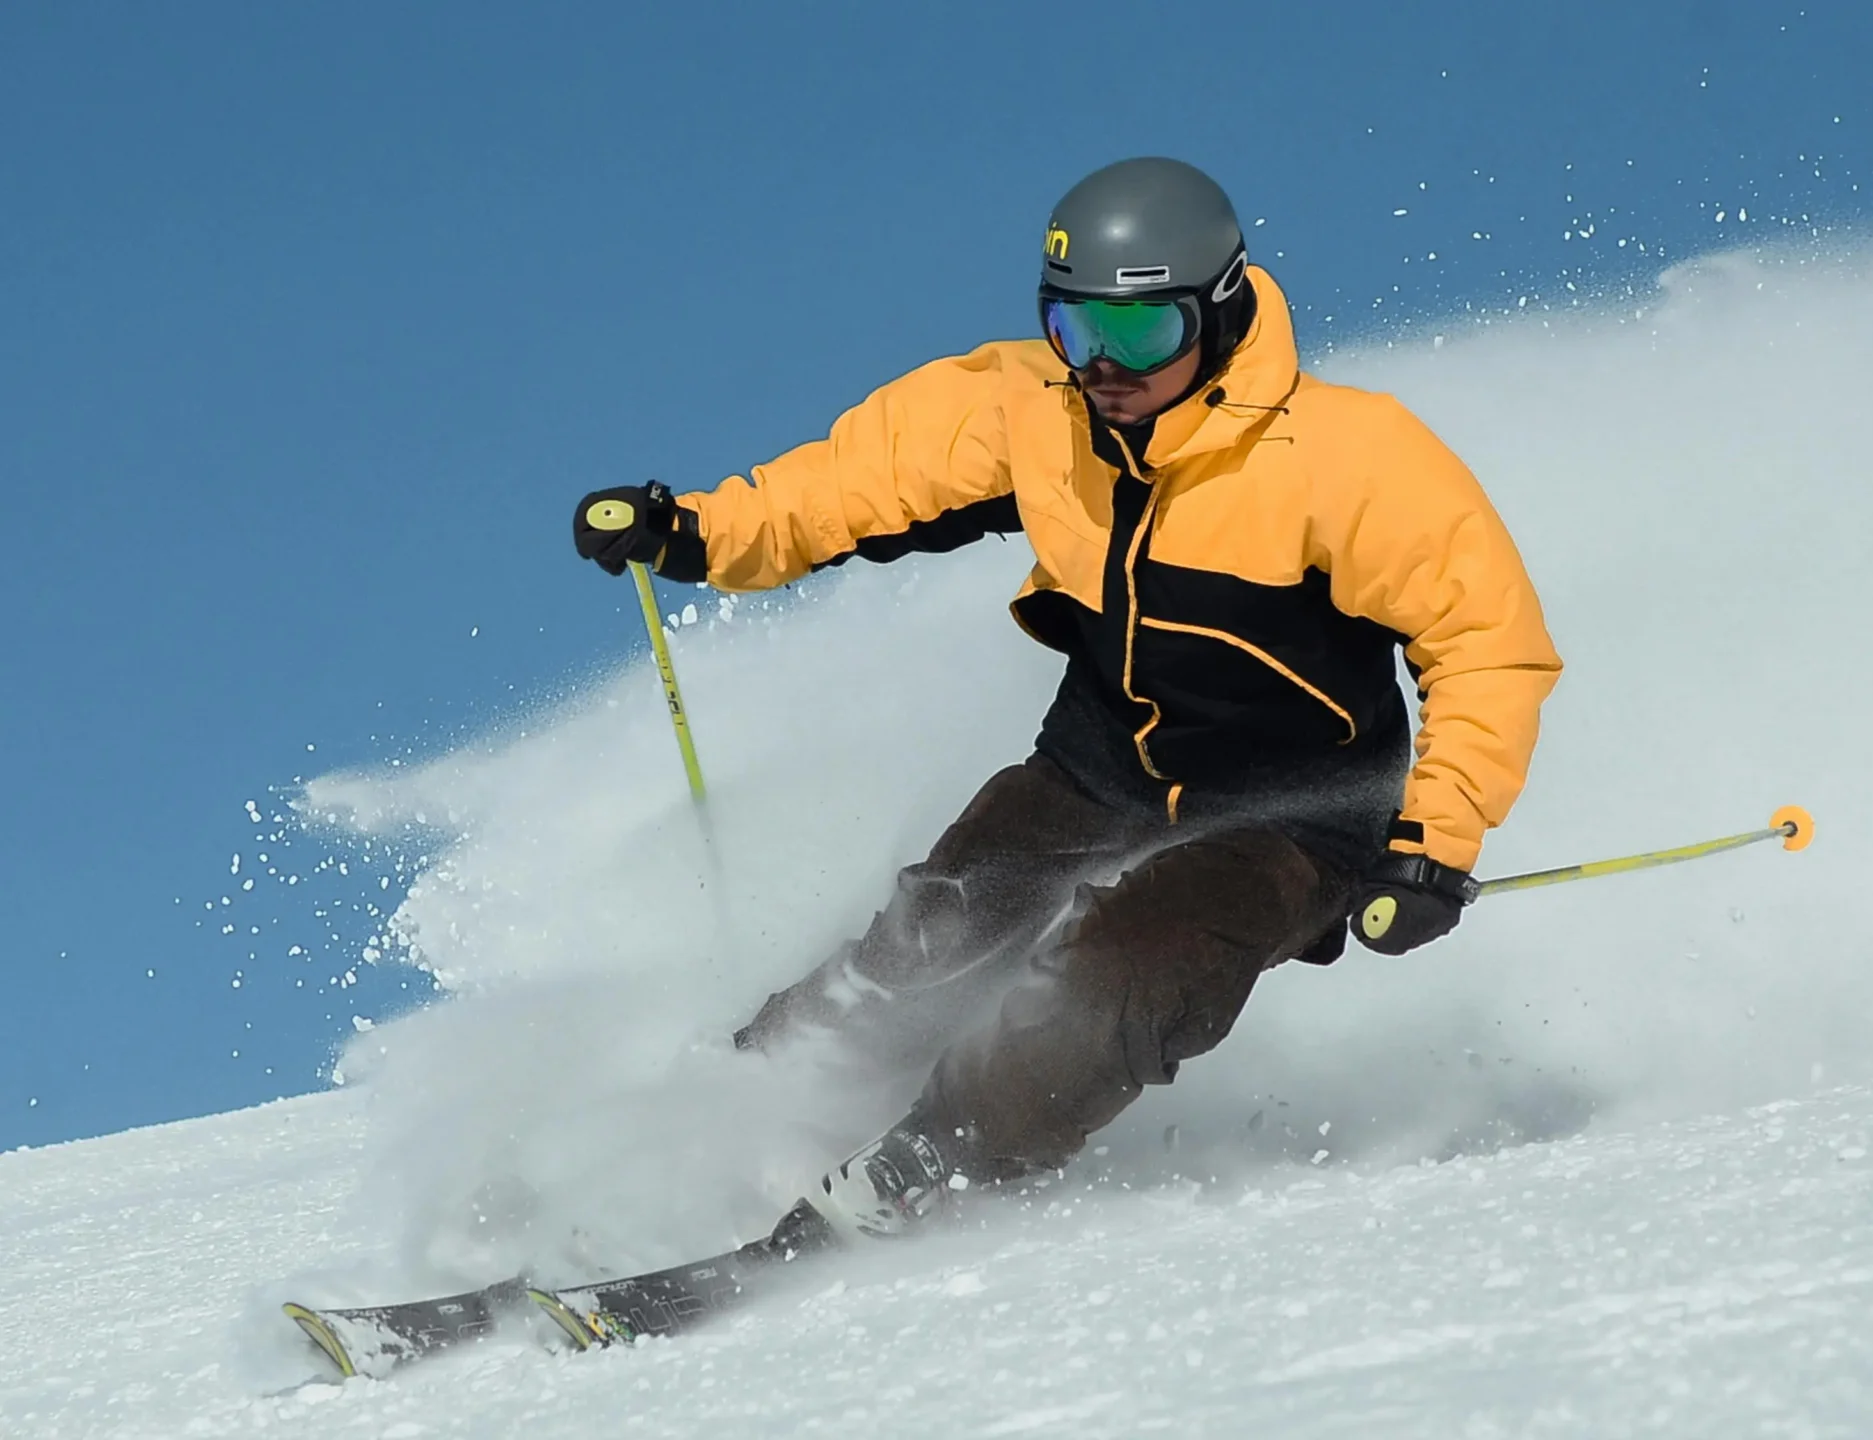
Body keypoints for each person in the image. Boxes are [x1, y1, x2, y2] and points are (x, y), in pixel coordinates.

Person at [572, 157, 1561, 1241]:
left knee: (1115, 976)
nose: (1100, 366)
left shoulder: (1348, 458)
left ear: (1219, 312)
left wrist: (1434, 845)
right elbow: (857, 482)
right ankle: (728, 1120)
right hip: (1101, 769)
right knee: (933, 935)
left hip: (1297, 814)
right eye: (1072, 330)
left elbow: (1487, 644)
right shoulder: (1039, 412)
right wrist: (704, 532)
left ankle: (926, 1170)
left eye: (1135, 337)